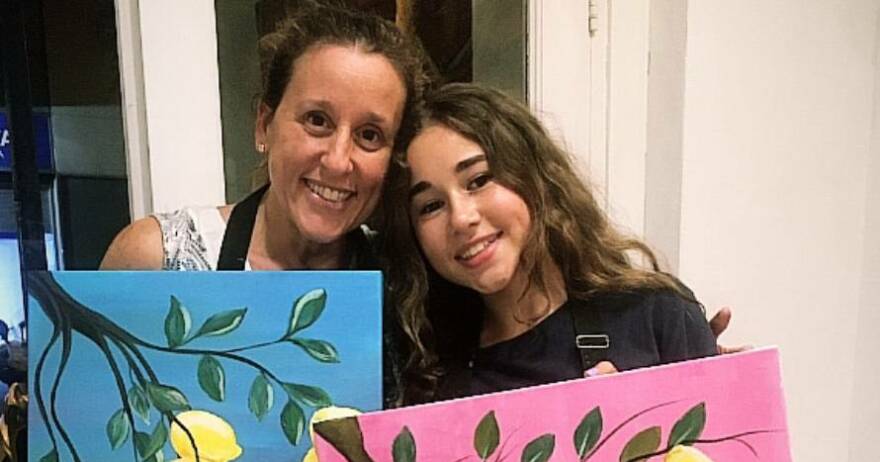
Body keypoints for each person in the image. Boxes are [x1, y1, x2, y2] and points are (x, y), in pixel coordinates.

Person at [378, 83, 718, 405]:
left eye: (479, 180)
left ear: (534, 175)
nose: (461, 218)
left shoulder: (658, 315)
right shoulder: (424, 370)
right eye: (430, 206)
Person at [100, 4, 430, 272]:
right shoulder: (156, 257)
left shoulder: (403, 283)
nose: (338, 161)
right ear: (264, 125)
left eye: (369, 135)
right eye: (317, 121)